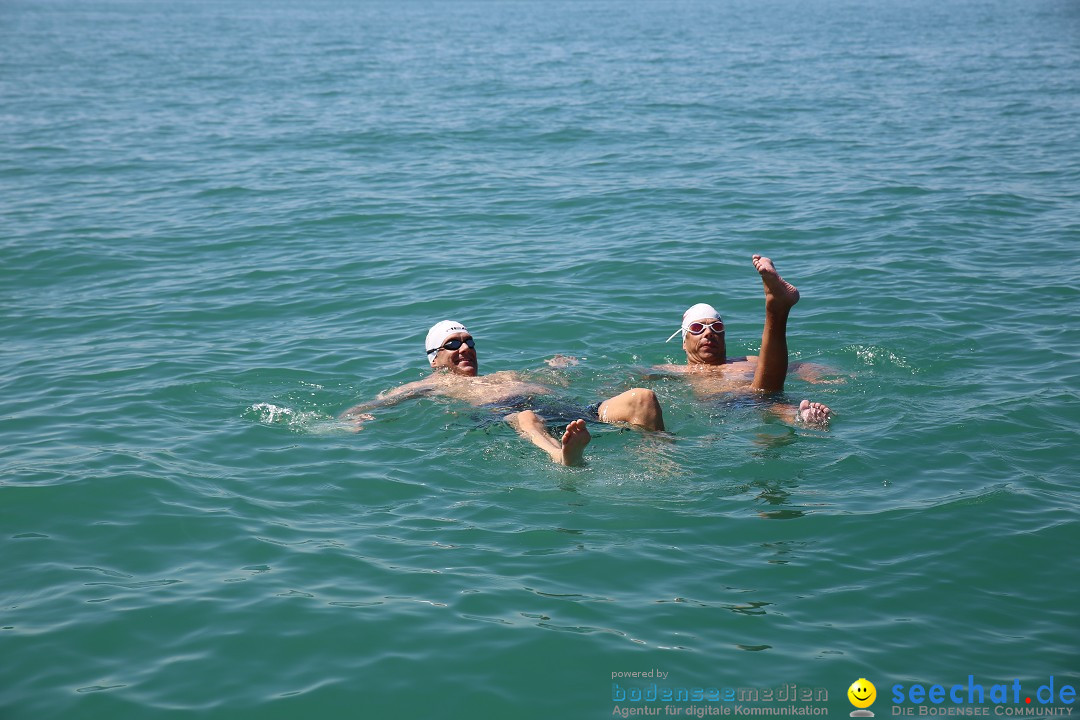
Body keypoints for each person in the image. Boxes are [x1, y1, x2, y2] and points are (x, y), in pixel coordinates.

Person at [340, 321, 665, 466]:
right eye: (453, 344)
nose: (465, 347)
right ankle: (562, 456)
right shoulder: (434, 383)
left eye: (469, 342)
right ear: (434, 359)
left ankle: (661, 460)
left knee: (643, 397)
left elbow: (551, 384)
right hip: (516, 415)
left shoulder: (505, 374)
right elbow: (382, 401)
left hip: (567, 410)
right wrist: (358, 415)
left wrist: (559, 371)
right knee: (524, 416)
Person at [655, 255, 833, 426]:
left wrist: (815, 376)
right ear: (684, 342)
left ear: (724, 338)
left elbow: (795, 367)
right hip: (725, 407)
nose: (708, 333)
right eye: (697, 328)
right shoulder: (673, 371)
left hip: (765, 398)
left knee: (775, 404)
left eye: (716, 328)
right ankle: (776, 307)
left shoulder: (750, 361)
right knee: (766, 398)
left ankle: (804, 417)